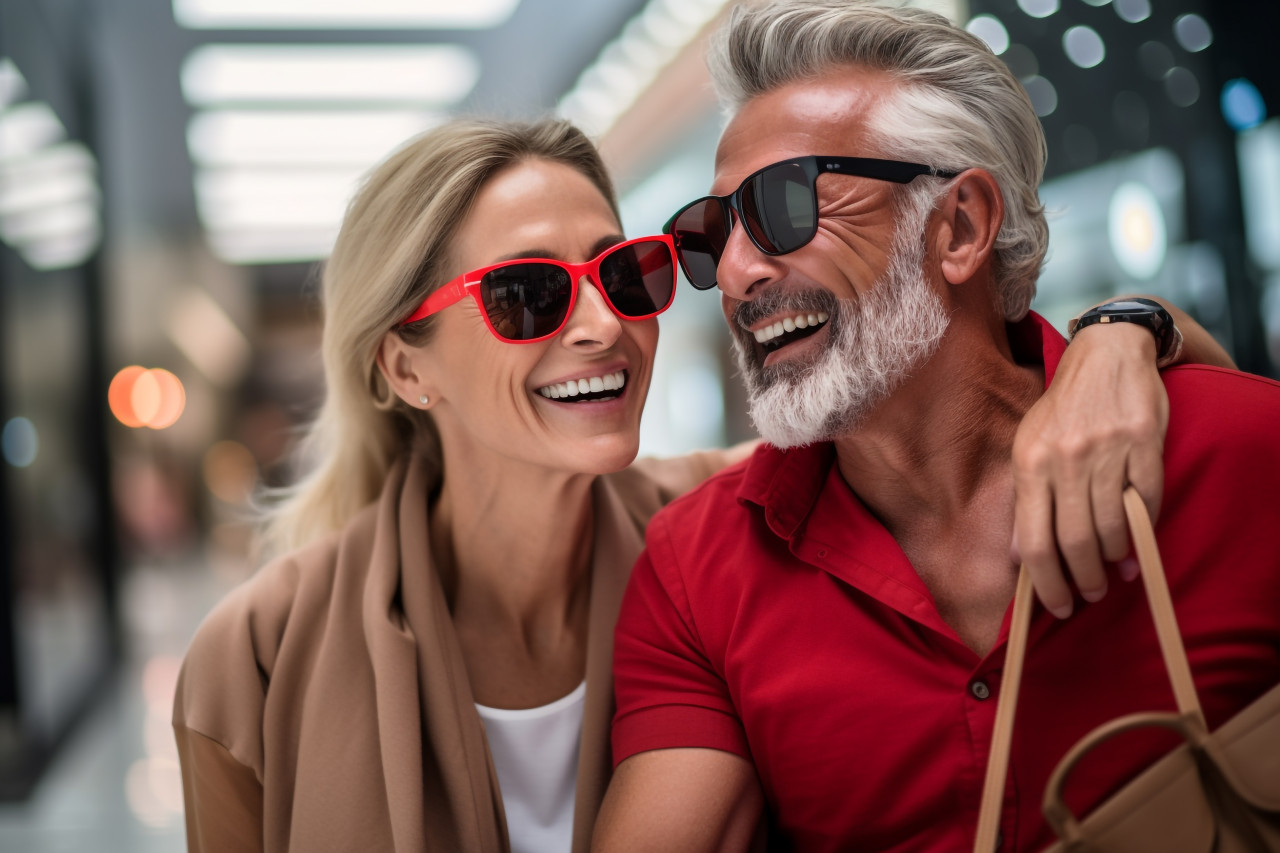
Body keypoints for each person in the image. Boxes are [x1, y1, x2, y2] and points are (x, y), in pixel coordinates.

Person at [173, 117, 1217, 852]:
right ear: (404, 365)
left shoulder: (726, 529)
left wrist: (1124, 332)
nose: (604, 325)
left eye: (622, 272)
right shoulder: (256, 659)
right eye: (528, 293)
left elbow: (971, 398)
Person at [595, 2, 1278, 852]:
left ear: (958, 228)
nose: (734, 273)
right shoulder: (699, 569)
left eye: (784, 204)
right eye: (712, 232)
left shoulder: (1245, 455)